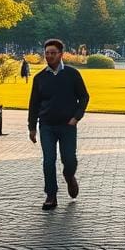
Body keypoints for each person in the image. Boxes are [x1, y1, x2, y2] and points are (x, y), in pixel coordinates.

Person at [28, 38, 90, 210]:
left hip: (67, 125)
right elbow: (33, 103)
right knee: (48, 160)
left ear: (61, 54)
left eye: (53, 53)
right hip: (47, 125)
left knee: (69, 159)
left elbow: (84, 97)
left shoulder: (72, 74)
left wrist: (76, 117)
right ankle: (51, 195)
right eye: (47, 53)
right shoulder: (40, 78)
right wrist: (32, 127)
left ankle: (69, 176)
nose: (49, 56)